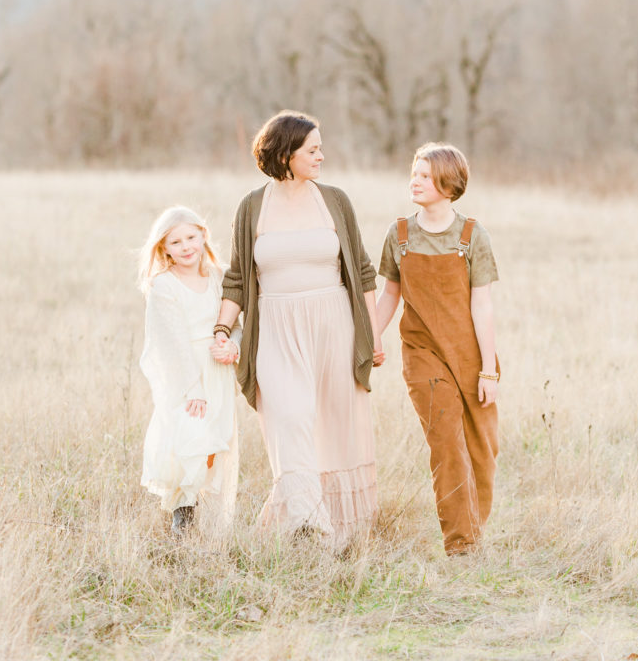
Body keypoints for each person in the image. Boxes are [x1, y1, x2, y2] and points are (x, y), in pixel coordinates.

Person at [214, 110, 382, 545]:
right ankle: (311, 524)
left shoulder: (335, 201)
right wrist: (221, 329)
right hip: (275, 328)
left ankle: (333, 531)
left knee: (331, 424)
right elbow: (236, 278)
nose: (322, 156)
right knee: (288, 418)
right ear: (286, 154)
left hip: (333, 327)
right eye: (313, 150)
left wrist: (374, 335)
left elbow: (362, 272)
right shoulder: (252, 206)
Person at [376, 143, 500, 556]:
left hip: (468, 355)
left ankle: (474, 528)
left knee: (482, 450)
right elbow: (390, 295)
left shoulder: (471, 235)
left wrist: (489, 370)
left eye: (425, 175)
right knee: (446, 442)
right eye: (414, 172)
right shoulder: (400, 235)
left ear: (449, 184)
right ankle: (460, 544)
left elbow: (482, 305)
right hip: (422, 353)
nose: (415, 180)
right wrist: (372, 337)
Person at [138, 206, 240, 535]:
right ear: (163, 248)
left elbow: (234, 322)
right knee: (190, 441)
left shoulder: (218, 277)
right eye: (176, 242)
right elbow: (173, 343)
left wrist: (232, 346)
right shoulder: (164, 285)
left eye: (191, 238)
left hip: (217, 370)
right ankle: (183, 517)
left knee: (213, 444)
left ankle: (198, 512)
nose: (186, 247)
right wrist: (191, 387)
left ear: (203, 236)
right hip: (186, 377)